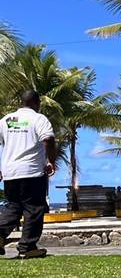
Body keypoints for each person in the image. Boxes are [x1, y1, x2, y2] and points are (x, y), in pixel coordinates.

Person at [0, 90, 56, 259]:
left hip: (10, 172)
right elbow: (49, 139)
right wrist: (51, 160)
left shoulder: (5, 120)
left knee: (14, 206)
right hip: (31, 171)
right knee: (33, 209)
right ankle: (28, 247)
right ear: (37, 103)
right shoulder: (38, 119)